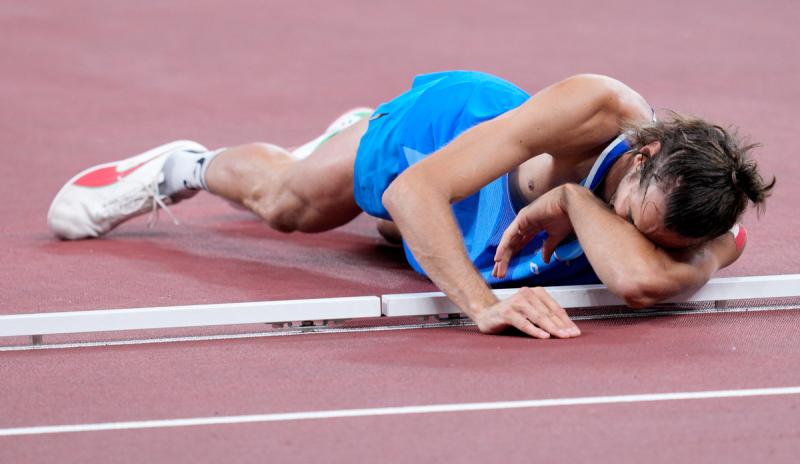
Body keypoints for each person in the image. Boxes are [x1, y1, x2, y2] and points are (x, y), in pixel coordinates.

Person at [47, 71, 774, 339]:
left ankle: (349, 145)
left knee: (398, 237)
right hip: (450, 139)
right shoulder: (597, 108)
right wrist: (476, 302)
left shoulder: (704, 218)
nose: (633, 237)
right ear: (644, 153)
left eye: (657, 238)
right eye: (626, 215)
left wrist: (577, 207)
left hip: (507, 209)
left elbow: (644, 281)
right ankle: (185, 163)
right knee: (291, 206)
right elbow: (416, 189)